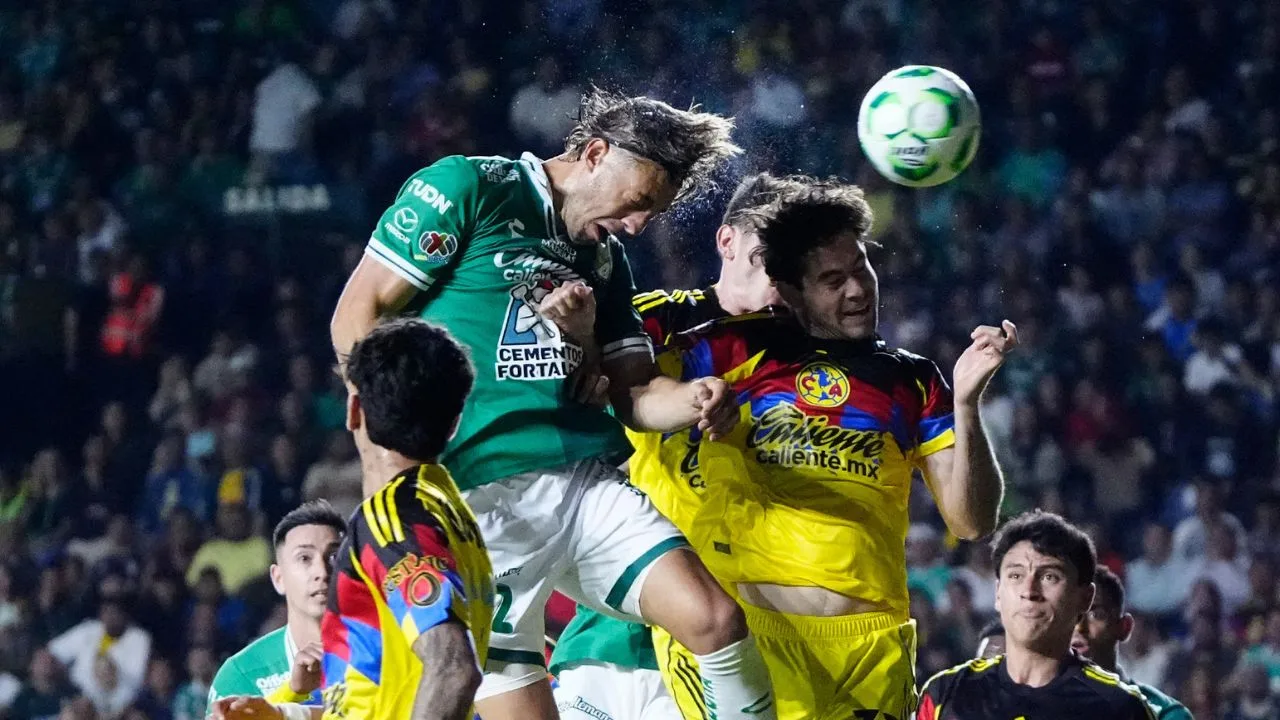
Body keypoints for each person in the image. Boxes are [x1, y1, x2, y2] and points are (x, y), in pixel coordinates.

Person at [328, 87, 774, 720]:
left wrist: (694, 398)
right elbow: (360, 310)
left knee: (716, 620)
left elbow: (635, 394)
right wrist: (378, 445)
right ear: (595, 154)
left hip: (582, 485)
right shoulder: (470, 188)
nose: (639, 224)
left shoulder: (606, 260)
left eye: (656, 212)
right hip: (478, 506)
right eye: (639, 202)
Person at [549, 175, 1012, 719]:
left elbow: (972, 522)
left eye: (862, 269)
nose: (858, 290)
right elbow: (622, 384)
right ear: (792, 290)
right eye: (833, 279)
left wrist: (966, 402)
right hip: (745, 637)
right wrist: (581, 337)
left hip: (871, 646)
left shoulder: (912, 380)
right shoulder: (720, 345)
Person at [550, 172, 786, 720]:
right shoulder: (654, 319)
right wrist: (584, 337)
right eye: (766, 253)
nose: (778, 275)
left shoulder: (813, 368)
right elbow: (586, 397)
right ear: (727, 241)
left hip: (740, 639)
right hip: (615, 639)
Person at [210, 319, 494, 720]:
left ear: (353, 410)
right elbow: (382, 696)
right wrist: (285, 715)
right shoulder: (447, 510)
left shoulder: (393, 520)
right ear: (453, 424)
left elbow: (453, 668)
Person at [918, 511, 1154, 719]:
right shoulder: (945, 695)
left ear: (1084, 598)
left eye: (1049, 576)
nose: (1029, 591)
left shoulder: (1120, 708)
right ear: (998, 593)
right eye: (1016, 576)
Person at [208, 500, 346, 708]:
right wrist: (291, 692)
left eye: (334, 556)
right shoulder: (242, 672)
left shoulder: (382, 652)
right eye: (304, 558)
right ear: (278, 578)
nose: (321, 571)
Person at [1072, 567, 1193, 719]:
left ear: (1124, 627)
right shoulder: (1035, 709)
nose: (1078, 627)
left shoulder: (1164, 714)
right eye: (1067, 613)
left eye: (1096, 614)